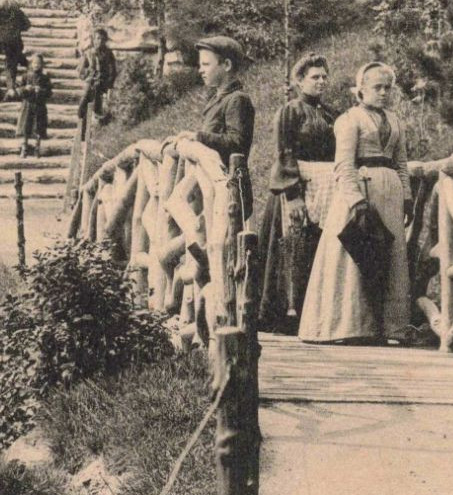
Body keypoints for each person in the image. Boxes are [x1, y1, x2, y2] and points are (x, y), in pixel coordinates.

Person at [298, 61, 411, 344]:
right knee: (353, 259)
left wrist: (407, 196)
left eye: (388, 88)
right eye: (377, 87)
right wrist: (355, 200)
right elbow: (344, 165)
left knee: (390, 257)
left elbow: (401, 163)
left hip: (390, 196)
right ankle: (349, 327)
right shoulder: (350, 120)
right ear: (361, 90)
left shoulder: (395, 120)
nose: (383, 93)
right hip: (359, 195)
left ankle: (389, 328)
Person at [256, 54, 339, 334]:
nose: (321, 82)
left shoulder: (331, 114)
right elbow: (285, 152)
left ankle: (314, 313)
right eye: (315, 77)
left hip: (326, 190)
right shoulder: (290, 111)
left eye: (324, 77)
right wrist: (293, 195)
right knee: (290, 249)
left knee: (317, 248)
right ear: (299, 80)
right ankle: (284, 315)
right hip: (296, 190)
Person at [169, 35, 256, 215]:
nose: (201, 70)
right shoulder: (218, 99)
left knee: (223, 239)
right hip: (208, 182)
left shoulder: (238, 99)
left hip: (228, 186)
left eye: (206, 65)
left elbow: (236, 142)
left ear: (227, 65)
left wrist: (199, 137)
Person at [0, 0, 30, 98]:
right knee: (11, 62)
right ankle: (11, 88)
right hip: (15, 39)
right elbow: (27, 24)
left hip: (1, 38)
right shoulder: (15, 5)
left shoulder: (1, 3)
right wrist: (16, 28)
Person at [78, 27, 118, 128]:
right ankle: (82, 125)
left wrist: (109, 85)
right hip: (91, 82)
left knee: (99, 103)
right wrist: (88, 73)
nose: (100, 41)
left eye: (102, 39)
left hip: (103, 82)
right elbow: (81, 71)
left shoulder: (108, 54)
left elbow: (112, 71)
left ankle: (99, 123)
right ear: (94, 39)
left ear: (105, 41)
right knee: (84, 101)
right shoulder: (88, 53)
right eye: (98, 38)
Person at [14, 54, 52, 157]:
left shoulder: (44, 78)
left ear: (41, 65)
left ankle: (37, 148)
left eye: (38, 63)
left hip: (40, 106)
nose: (36, 65)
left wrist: (41, 91)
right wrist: (25, 89)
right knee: (26, 126)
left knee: (38, 127)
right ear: (31, 64)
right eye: (35, 63)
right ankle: (24, 148)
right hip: (28, 105)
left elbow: (49, 93)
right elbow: (18, 90)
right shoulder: (26, 76)